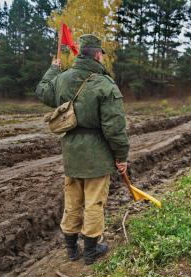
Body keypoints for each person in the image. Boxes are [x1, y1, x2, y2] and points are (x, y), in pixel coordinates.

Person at [35, 34, 129, 265]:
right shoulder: (105, 84)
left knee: (72, 201)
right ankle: (90, 252)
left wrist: (53, 69)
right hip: (96, 154)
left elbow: (42, 91)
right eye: (101, 55)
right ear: (97, 54)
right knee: (94, 203)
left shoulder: (62, 79)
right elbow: (114, 127)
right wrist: (121, 156)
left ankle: (71, 250)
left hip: (71, 152)